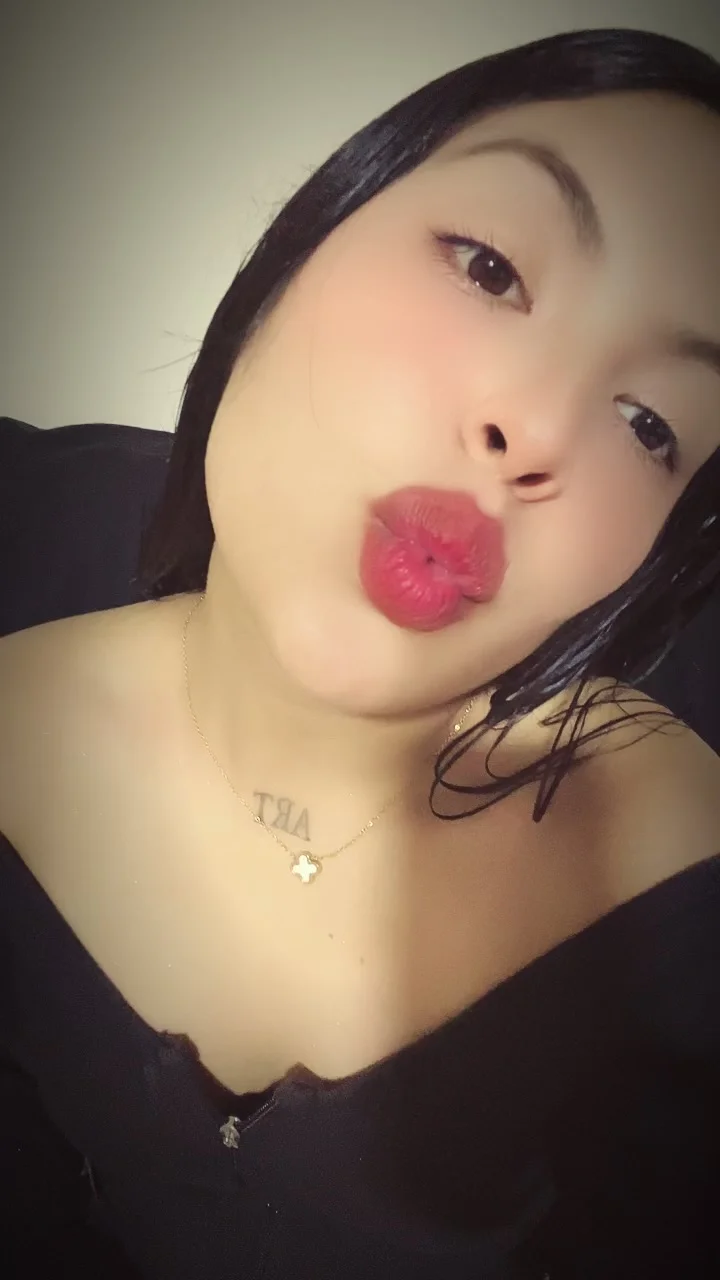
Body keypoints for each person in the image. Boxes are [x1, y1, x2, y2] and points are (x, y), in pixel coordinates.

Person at [1, 24, 720, 1279]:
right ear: (311, 232)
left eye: (650, 421)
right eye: (490, 267)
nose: (534, 427)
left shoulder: (673, 871)